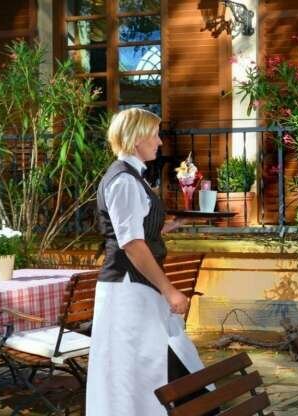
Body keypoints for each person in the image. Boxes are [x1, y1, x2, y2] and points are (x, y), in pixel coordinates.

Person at [86, 108, 208, 415]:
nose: (160, 142)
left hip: (135, 287)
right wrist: (170, 291)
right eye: (154, 134)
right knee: (131, 369)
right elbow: (132, 245)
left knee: (144, 365)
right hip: (127, 288)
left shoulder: (130, 177)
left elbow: (135, 230)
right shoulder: (124, 181)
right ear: (137, 138)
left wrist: (167, 225)